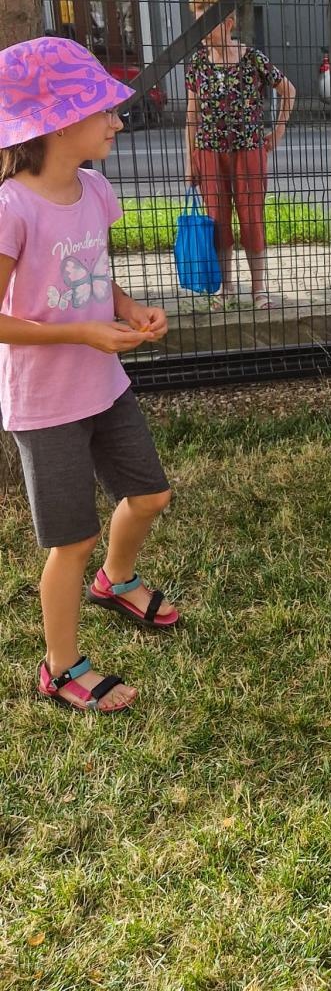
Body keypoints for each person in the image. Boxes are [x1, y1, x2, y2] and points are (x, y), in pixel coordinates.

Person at [0, 37, 178, 712]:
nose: (118, 121)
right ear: (55, 123)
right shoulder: (12, 208)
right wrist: (82, 332)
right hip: (45, 405)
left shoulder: (96, 190)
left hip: (104, 386)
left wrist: (129, 310)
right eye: (103, 109)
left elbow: (96, 279)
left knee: (151, 496)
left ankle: (116, 581)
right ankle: (60, 666)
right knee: (71, 540)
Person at [184, 0, 296, 310]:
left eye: (207, 25)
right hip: (208, 152)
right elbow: (191, 116)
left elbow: (289, 90)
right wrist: (189, 161)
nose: (203, 33)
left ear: (228, 24)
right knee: (217, 221)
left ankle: (258, 290)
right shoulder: (198, 63)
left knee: (251, 220)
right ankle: (225, 289)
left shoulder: (252, 58)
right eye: (198, 25)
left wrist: (279, 128)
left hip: (249, 150)